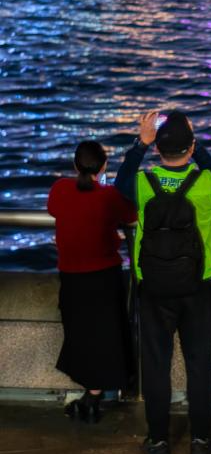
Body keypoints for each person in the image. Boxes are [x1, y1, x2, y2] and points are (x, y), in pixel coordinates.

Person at [115, 109, 211, 454]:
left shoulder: (142, 183)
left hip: (153, 288)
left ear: (158, 148)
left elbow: (120, 181)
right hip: (197, 286)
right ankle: (200, 440)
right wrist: (197, 145)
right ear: (189, 147)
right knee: (198, 364)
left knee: (156, 365)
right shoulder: (206, 183)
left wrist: (140, 143)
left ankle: (159, 442)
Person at [47, 140, 136, 422]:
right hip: (104, 276)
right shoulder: (108, 196)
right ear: (104, 166)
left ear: (75, 165)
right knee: (106, 335)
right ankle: (97, 394)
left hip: (71, 276)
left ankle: (91, 393)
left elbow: (54, 209)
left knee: (79, 335)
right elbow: (131, 214)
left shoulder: (60, 188)